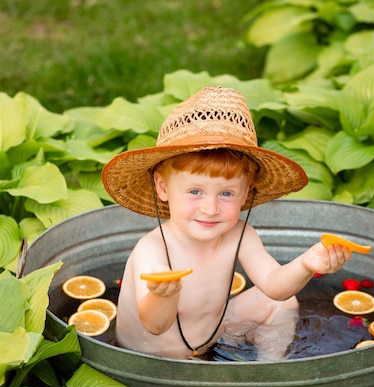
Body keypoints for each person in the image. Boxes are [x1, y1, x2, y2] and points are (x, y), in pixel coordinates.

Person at [102, 86, 352, 359]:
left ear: (245, 193)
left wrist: (306, 264)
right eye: (195, 192)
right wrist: (163, 295)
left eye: (226, 193)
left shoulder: (239, 235)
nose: (210, 209)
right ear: (162, 188)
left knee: (279, 304)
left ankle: (268, 370)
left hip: (211, 336)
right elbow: (155, 326)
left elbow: (274, 286)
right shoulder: (152, 250)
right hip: (160, 358)